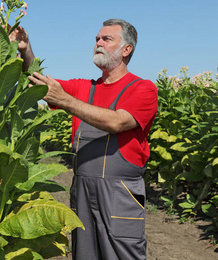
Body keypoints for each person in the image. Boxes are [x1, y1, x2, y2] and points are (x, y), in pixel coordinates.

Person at [10, 19, 158, 260]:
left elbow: (117, 122)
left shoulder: (142, 89)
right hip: (81, 191)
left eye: (106, 39)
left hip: (119, 193)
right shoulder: (84, 88)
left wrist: (66, 101)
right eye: (97, 39)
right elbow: (41, 84)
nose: (98, 43)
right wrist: (25, 50)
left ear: (126, 50)